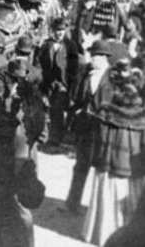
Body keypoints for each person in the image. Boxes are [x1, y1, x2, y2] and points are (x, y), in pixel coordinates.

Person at [82, 58, 145, 245]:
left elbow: (97, 140)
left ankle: (98, 234)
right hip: (130, 169)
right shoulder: (141, 117)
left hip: (107, 165)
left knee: (104, 203)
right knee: (127, 208)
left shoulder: (106, 113)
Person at [64, 40, 112, 214]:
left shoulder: (113, 77)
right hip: (85, 128)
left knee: (101, 171)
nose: (91, 58)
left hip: (103, 131)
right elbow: (77, 97)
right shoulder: (86, 74)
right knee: (80, 166)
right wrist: (76, 110)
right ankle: (72, 204)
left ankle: (97, 211)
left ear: (103, 57)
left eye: (94, 55)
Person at [38, 17, 80, 147]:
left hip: (63, 83)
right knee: (44, 108)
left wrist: (70, 85)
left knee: (57, 110)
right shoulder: (46, 45)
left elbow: (74, 67)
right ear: (52, 31)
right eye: (57, 30)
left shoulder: (71, 45)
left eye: (62, 30)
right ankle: (42, 135)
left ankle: (55, 138)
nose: (59, 33)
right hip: (47, 81)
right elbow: (39, 63)